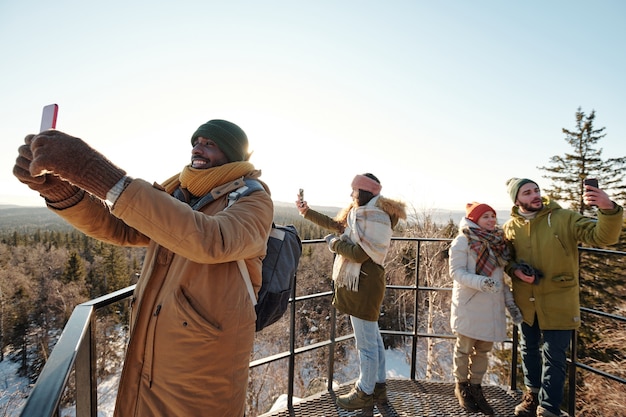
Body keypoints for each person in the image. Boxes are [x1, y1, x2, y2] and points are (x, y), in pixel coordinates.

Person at [13, 120, 274, 417]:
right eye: (196, 141)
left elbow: (212, 240)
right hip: (151, 348)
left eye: (210, 143)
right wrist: (61, 192)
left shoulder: (254, 199)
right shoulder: (179, 191)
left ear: (234, 154)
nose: (197, 148)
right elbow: (122, 227)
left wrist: (92, 170)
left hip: (205, 362)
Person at [503, 178, 623, 417]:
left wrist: (608, 209)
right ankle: (531, 396)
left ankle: (548, 408)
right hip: (526, 301)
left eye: (536, 190)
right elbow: (506, 259)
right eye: (527, 192)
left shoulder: (563, 217)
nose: (535, 195)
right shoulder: (510, 227)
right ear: (517, 200)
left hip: (559, 299)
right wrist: (514, 270)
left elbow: (602, 237)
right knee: (528, 350)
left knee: (555, 355)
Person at [295, 173, 406, 414]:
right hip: (363, 284)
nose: (351, 195)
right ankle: (378, 389)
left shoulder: (376, 218)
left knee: (366, 345)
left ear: (365, 192)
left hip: (363, 287)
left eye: (354, 190)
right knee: (374, 342)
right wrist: (307, 212)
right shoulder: (363, 214)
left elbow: (358, 254)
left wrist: (334, 244)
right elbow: (337, 225)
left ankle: (364, 393)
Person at [449, 202, 522, 415]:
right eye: (485, 217)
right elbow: (456, 273)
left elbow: (500, 280)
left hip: (491, 307)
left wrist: (510, 303)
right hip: (470, 304)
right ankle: (461, 387)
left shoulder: (497, 243)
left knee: (483, 351)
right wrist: (482, 282)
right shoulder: (462, 241)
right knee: (464, 349)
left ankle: (476, 388)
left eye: (492, 216)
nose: (491, 220)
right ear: (474, 219)